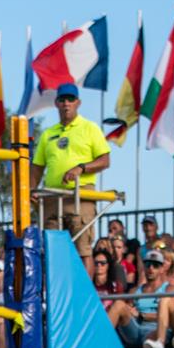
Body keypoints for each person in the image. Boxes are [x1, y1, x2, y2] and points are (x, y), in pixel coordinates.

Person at [30, 83, 111, 266]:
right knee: (52, 252)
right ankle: (56, 285)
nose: (66, 103)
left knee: (82, 251)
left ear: (78, 102)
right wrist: (31, 189)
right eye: (62, 99)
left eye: (70, 99)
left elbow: (105, 160)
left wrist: (81, 168)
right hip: (51, 197)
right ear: (56, 103)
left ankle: (84, 286)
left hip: (80, 195)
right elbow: (37, 167)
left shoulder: (90, 128)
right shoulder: (48, 134)